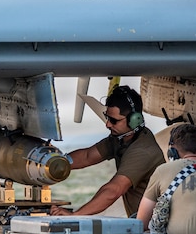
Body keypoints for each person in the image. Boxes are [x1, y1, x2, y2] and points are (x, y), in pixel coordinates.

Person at [50, 85, 164, 217]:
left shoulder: (143, 151)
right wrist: (53, 162)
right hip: (142, 222)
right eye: (107, 118)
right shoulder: (121, 138)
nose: (108, 124)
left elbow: (113, 190)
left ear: (134, 121)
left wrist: (75, 215)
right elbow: (87, 156)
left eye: (114, 121)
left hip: (154, 228)